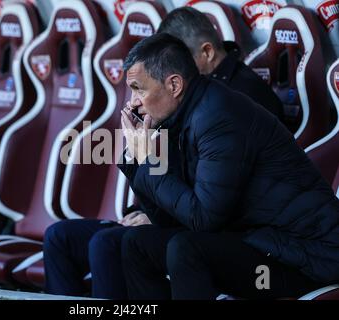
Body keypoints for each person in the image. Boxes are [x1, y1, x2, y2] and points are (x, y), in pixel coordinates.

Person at [43, 7, 286, 299]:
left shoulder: (232, 102)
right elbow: (171, 168)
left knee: (110, 244)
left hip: (221, 232)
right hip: (177, 212)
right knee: (60, 236)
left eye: (172, 58)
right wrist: (139, 177)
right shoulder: (180, 102)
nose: (170, 66)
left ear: (204, 54)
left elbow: (212, 204)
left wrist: (152, 207)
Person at [119, 32, 339, 300]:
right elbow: (168, 220)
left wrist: (149, 161)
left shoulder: (218, 116)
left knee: (186, 248)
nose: (134, 102)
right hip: (258, 245)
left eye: (139, 89)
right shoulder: (179, 118)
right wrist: (137, 159)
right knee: (135, 243)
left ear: (174, 85)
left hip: (300, 261)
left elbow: (202, 220)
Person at [157, 6, 285, 124]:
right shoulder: (200, 88)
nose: (173, 74)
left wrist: (147, 144)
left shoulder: (241, 97)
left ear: (207, 52)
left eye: (178, 63)